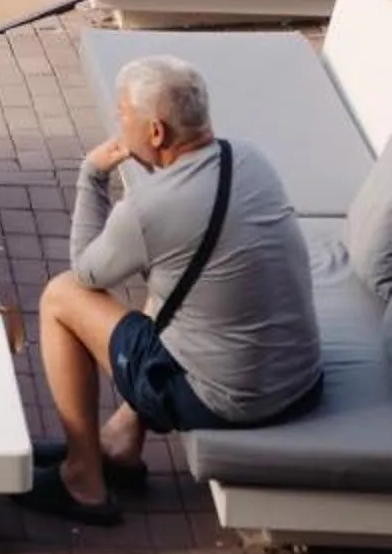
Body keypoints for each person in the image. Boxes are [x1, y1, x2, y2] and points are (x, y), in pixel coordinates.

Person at [24, 54, 322, 524]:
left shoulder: (147, 210)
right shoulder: (248, 157)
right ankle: (121, 440)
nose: (118, 124)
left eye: (123, 114)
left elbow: (84, 272)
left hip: (228, 400)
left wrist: (92, 174)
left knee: (61, 297)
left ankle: (83, 480)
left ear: (156, 132)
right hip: (299, 382)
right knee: (177, 282)